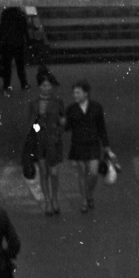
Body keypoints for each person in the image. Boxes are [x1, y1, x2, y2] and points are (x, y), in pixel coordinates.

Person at [65, 81, 111, 212]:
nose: (75, 95)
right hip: (78, 144)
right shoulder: (71, 109)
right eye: (74, 93)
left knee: (93, 173)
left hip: (93, 144)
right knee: (82, 173)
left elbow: (101, 126)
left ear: (86, 93)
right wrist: (63, 122)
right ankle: (84, 199)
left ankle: (89, 192)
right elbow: (67, 127)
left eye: (78, 92)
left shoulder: (96, 107)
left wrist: (106, 144)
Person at [28, 70, 65, 215]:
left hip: (54, 141)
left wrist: (58, 129)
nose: (47, 88)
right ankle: (48, 200)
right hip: (40, 141)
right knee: (44, 172)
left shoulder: (58, 102)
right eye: (44, 85)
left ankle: (55, 198)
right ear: (39, 87)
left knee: (54, 172)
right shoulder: (34, 104)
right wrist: (39, 129)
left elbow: (63, 121)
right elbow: (31, 123)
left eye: (49, 85)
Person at [0, 6, 30, 94]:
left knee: (7, 65)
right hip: (18, 43)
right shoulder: (21, 14)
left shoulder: (5, 14)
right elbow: (25, 29)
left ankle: (6, 83)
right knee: (20, 65)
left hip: (7, 43)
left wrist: (1, 43)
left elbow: (2, 29)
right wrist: (28, 40)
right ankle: (23, 83)